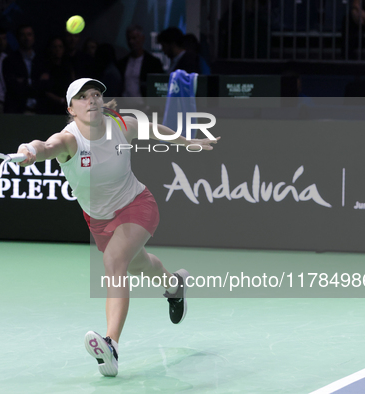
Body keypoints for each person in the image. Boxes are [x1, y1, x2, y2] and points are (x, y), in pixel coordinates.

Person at [16, 78, 220, 377]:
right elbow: (45, 146)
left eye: (96, 94)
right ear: (71, 109)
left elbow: (155, 131)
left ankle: (111, 345)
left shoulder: (120, 126)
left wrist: (189, 142)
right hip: (99, 219)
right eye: (83, 97)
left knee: (114, 262)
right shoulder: (69, 140)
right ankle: (174, 286)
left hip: (137, 204)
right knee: (140, 264)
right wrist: (28, 149)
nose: (92, 100)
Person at [2, 25, 43, 114]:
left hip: (39, 110)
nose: (26, 38)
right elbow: (12, 87)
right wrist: (35, 83)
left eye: (29, 34)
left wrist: (24, 82)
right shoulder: (9, 60)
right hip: (18, 109)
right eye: (23, 35)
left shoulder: (41, 60)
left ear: (33, 37)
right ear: (18, 38)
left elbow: (45, 85)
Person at [117, 25, 164, 99]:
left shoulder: (153, 62)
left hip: (145, 107)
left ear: (142, 38)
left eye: (134, 38)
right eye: (129, 39)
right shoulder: (122, 63)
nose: (131, 42)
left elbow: (158, 88)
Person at [37, 37, 75, 115]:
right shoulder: (44, 68)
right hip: (49, 109)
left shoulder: (68, 68)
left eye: (60, 47)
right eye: (55, 47)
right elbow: (45, 91)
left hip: (66, 110)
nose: (57, 49)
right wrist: (61, 100)